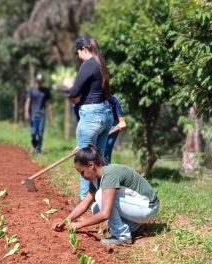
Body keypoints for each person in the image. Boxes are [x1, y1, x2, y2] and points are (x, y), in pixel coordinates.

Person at [52, 145, 160, 246]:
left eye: (82, 172)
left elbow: (105, 214)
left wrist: (78, 225)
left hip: (148, 207)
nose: (82, 176)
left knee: (100, 197)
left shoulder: (109, 175)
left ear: (91, 165)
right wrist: (66, 221)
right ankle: (133, 226)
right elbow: (85, 204)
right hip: (137, 207)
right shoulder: (96, 178)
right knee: (96, 207)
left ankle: (123, 237)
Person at [67, 36, 113, 200]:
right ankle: (102, 198)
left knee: (85, 162)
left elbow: (74, 93)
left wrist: (68, 87)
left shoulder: (88, 64)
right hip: (106, 114)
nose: (78, 56)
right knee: (99, 161)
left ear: (83, 49)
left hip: (91, 115)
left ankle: (84, 201)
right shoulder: (101, 64)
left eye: (78, 52)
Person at [73, 95, 127, 163]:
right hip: (93, 125)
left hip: (111, 124)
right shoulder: (75, 106)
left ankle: (105, 171)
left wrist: (122, 121)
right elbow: (82, 125)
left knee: (105, 153)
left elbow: (115, 101)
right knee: (90, 154)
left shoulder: (93, 95)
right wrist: (81, 143)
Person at [24, 73, 52, 154]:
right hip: (33, 115)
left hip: (42, 115)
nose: (39, 83)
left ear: (43, 81)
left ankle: (38, 150)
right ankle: (34, 143)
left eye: (41, 81)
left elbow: (49, 103)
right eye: (38, 81)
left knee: (40, 133)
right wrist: (26, 112)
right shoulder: (31, 90)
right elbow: (28, 101)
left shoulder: (46, 91)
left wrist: (51, 114)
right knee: (33, 133)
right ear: (36, 81)